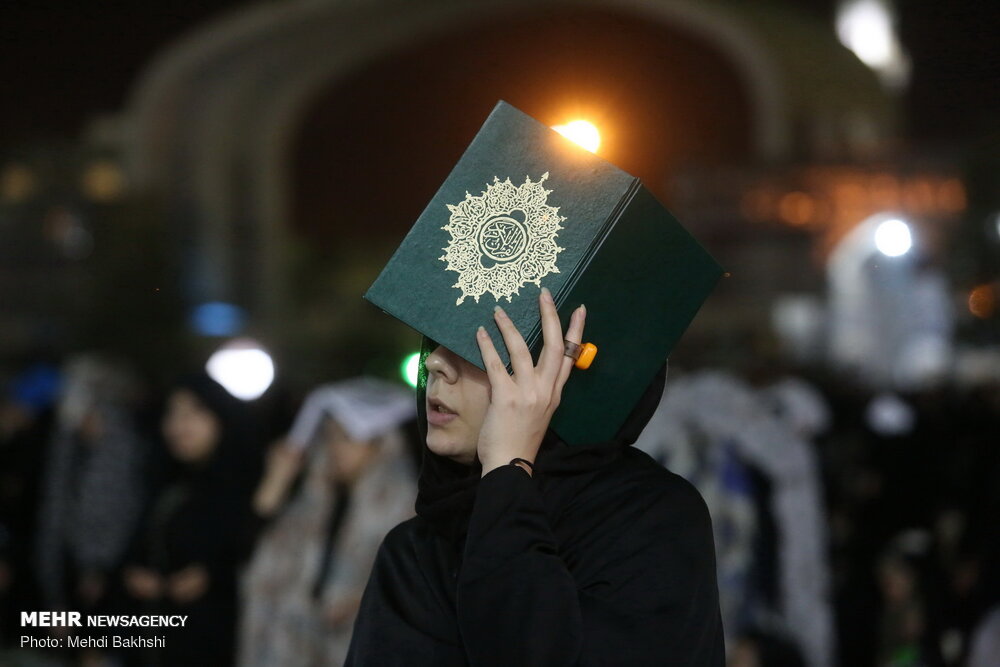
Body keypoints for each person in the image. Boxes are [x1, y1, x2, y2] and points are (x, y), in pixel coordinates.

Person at [346, 289, 725, 665]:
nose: (436, 364)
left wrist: (508, 469)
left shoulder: (654, 520)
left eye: (482, 346)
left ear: (565, 373)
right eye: (436, 338)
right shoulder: (415, 550)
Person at [239, 377, 418, 666]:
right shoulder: (315, 500)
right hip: (296, 648)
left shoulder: (405, 506)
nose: (335, 448)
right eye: (330, 436)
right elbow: (252, 558)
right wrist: (275, 482)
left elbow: (411, 586)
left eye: (347, 438)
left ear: (380, 445)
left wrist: (361, 600)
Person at [119, 373, 261, 666]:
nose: (178, 426)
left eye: (193, 413)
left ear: (220, 418)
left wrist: (213, 575)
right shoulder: (165, 482)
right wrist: (135, 572)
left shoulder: (246, 485)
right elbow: (139, 544)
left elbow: (253, 554)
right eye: (173, 414)